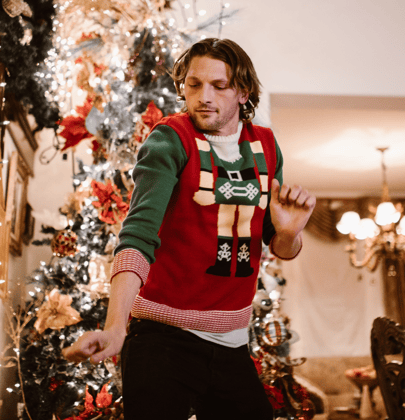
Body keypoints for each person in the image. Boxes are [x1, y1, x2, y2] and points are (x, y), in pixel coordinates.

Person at [63, 38, 316, 420]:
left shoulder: (265, 146)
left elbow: (278, 245)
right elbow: (138, 235)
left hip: (232, 346)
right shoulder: (170, 140)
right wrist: (115, 329)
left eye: (219, 85)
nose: (203, 96)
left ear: (243, 91)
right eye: (194, 84)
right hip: (162, 341)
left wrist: (288, 233)